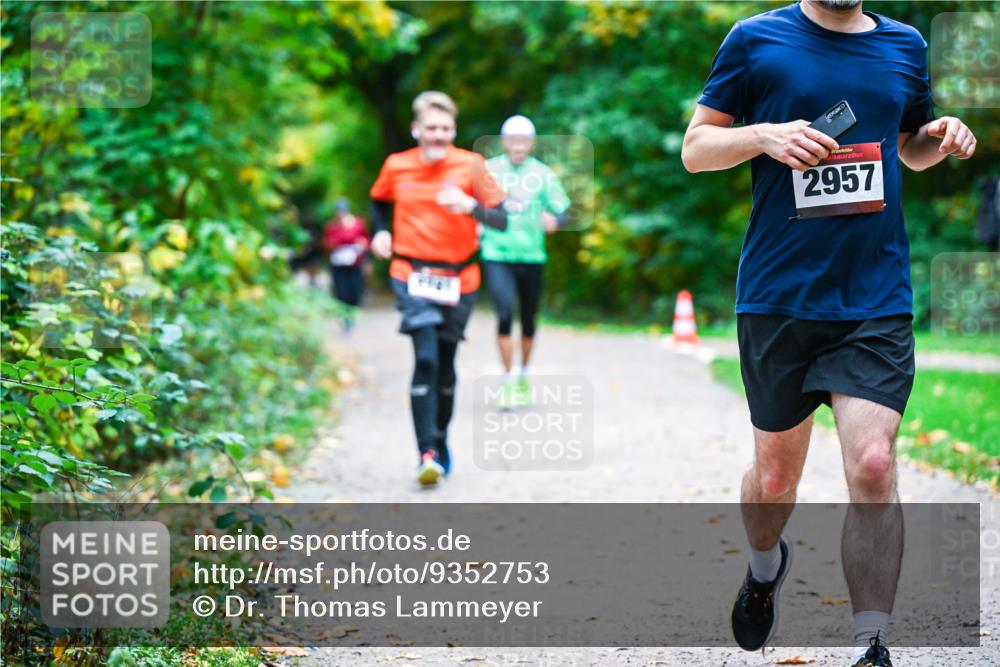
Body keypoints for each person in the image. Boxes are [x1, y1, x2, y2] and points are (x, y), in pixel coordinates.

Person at [681, 1, 977, 665]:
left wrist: (942, 134)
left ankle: (870, 641)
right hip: (779, 297)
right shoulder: (756, 39)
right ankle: (764, 567)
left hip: (874, 295)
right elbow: (696, 150)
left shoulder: (904, 45)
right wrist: (763, 137)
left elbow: (911, 147)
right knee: (776, 477)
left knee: (873, 462)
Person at [369, 91, 507, 486]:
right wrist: (380, 231)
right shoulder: (397, 166)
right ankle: (425, 452)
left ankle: (440, 441)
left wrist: (470, 207)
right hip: (410, 273)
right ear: (416, 129)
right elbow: (378, 201)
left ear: (454, 130)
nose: (439, 135)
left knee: (446, 366)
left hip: (459, 279)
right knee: (425, 357)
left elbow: (501, 219)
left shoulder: (472, 166)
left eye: (446, 128)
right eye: (431, 128)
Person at [481, 115, 570, 409]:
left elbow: (564, 211)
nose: (518, 145)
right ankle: (508, 381)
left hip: (531, 256)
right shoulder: (489, 170)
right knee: (505, 314)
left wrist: (554, 221)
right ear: (504, 142)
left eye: (524, 139)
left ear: (531, 143)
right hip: (497, 254)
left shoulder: (543, 174)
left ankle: (523, 374)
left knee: (529, 320)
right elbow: (472, 204)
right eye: (512, 139)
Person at [322, 198, 370, 329]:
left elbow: (366, 240)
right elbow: (326, 243)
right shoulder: (332, 226)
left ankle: (352, 313)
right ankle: (345, 318)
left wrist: (362, 244)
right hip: (338, 265)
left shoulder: (358, 224)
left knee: (355, 291)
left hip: (354, 264)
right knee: (342, 293)